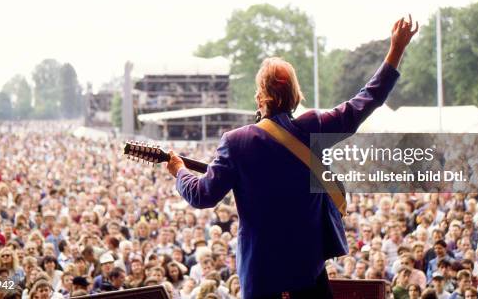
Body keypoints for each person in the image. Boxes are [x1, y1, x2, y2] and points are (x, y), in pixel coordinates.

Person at [166, 17, 418, 298]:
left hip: (262, 277)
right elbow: (366, 100)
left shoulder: (235, 142)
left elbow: (203, 195)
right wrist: (396, 49)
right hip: (308, 273)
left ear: (261, 97)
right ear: (295, 96)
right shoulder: (313, 128)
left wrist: (179, 171)